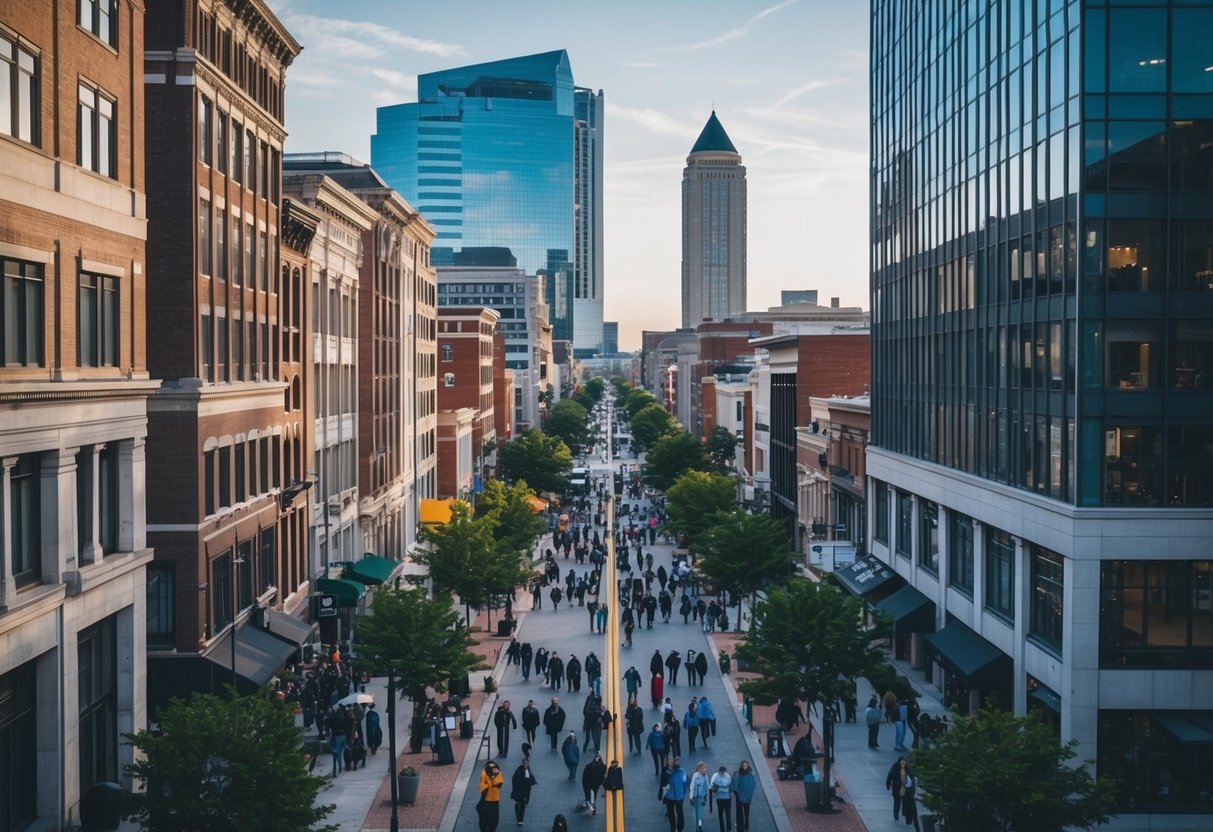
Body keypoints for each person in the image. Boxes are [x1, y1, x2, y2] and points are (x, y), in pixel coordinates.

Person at [477, 760, 504, 832]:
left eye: (494, 767)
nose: (493, 769)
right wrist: (489, 785)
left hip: (495, 801)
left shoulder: (499, 774)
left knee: (494, 821)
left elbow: (499, 784)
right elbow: (481, 786)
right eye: (490, 768)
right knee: (483, 820)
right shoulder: (484, 773)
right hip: (486, 800)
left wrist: (494, 776)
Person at [663, 756, 688, 832]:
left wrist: (683, 793)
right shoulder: (667, 772)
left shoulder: (682, 772)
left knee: (679, 814)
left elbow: (684, 783)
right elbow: (664, 783)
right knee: (672, 815)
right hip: (671, 796)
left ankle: (679, 829)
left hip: (678, 796)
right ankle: (673, 829)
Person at [511, 759, 538, 826]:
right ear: (522, 764)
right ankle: (519, 818)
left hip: (526, 791)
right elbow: (514, 780)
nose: (525, 765)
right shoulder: (518, 771)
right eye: (524, 763)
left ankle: (520, 819)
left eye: (526, 763)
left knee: (523, 804)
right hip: (519, 790)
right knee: (520, 803)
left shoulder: (529, 770)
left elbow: (531, 778)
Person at [885, 756, 913, 821]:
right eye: (902, 762)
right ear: (899, 762)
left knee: (905, 803)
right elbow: (890, 775)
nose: (903, 763)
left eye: (904, 762)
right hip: (897, 788)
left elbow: (912, 777)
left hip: (905, 788)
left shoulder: (907, 769)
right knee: (897, 802)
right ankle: (896, 815)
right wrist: (888, 785)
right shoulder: (895, 767)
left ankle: (906, 816)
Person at [732, 761, 756, 832]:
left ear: (747, 766)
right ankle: (740, 827)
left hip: (748, 797)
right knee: (740, 813)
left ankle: (746, 826)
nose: (745, 766)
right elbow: (736, 786)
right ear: (741, 766)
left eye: (746, 765)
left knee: (746, 812)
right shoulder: (738, 774)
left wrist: (750, 795)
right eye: (743, 765)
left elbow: (752, 786)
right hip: (740, 797)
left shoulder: (751, 775)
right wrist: (738, 793)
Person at [709, 765, 733, 832]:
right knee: (728, 814)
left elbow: (715, 787)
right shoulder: (728, 776)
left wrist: (714, 792)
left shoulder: (716, 777)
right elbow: (730, 786)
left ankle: (722, 829)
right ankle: (729, 829)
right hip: (727, 798)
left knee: (720, 814)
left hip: (719, 798)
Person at [688, 761, 710, 831]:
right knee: (694, 813)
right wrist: (691, 797)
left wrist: (705, 797)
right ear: (699, 768)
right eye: (701, 768)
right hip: (694, 797)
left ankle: (700, 826)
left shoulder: (705, 776)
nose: (703, 769)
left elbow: (707, 787)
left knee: (700, 813)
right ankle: (695, 827)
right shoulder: (695, 775)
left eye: (704, 768)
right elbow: (692, 785)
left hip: (701, 797)